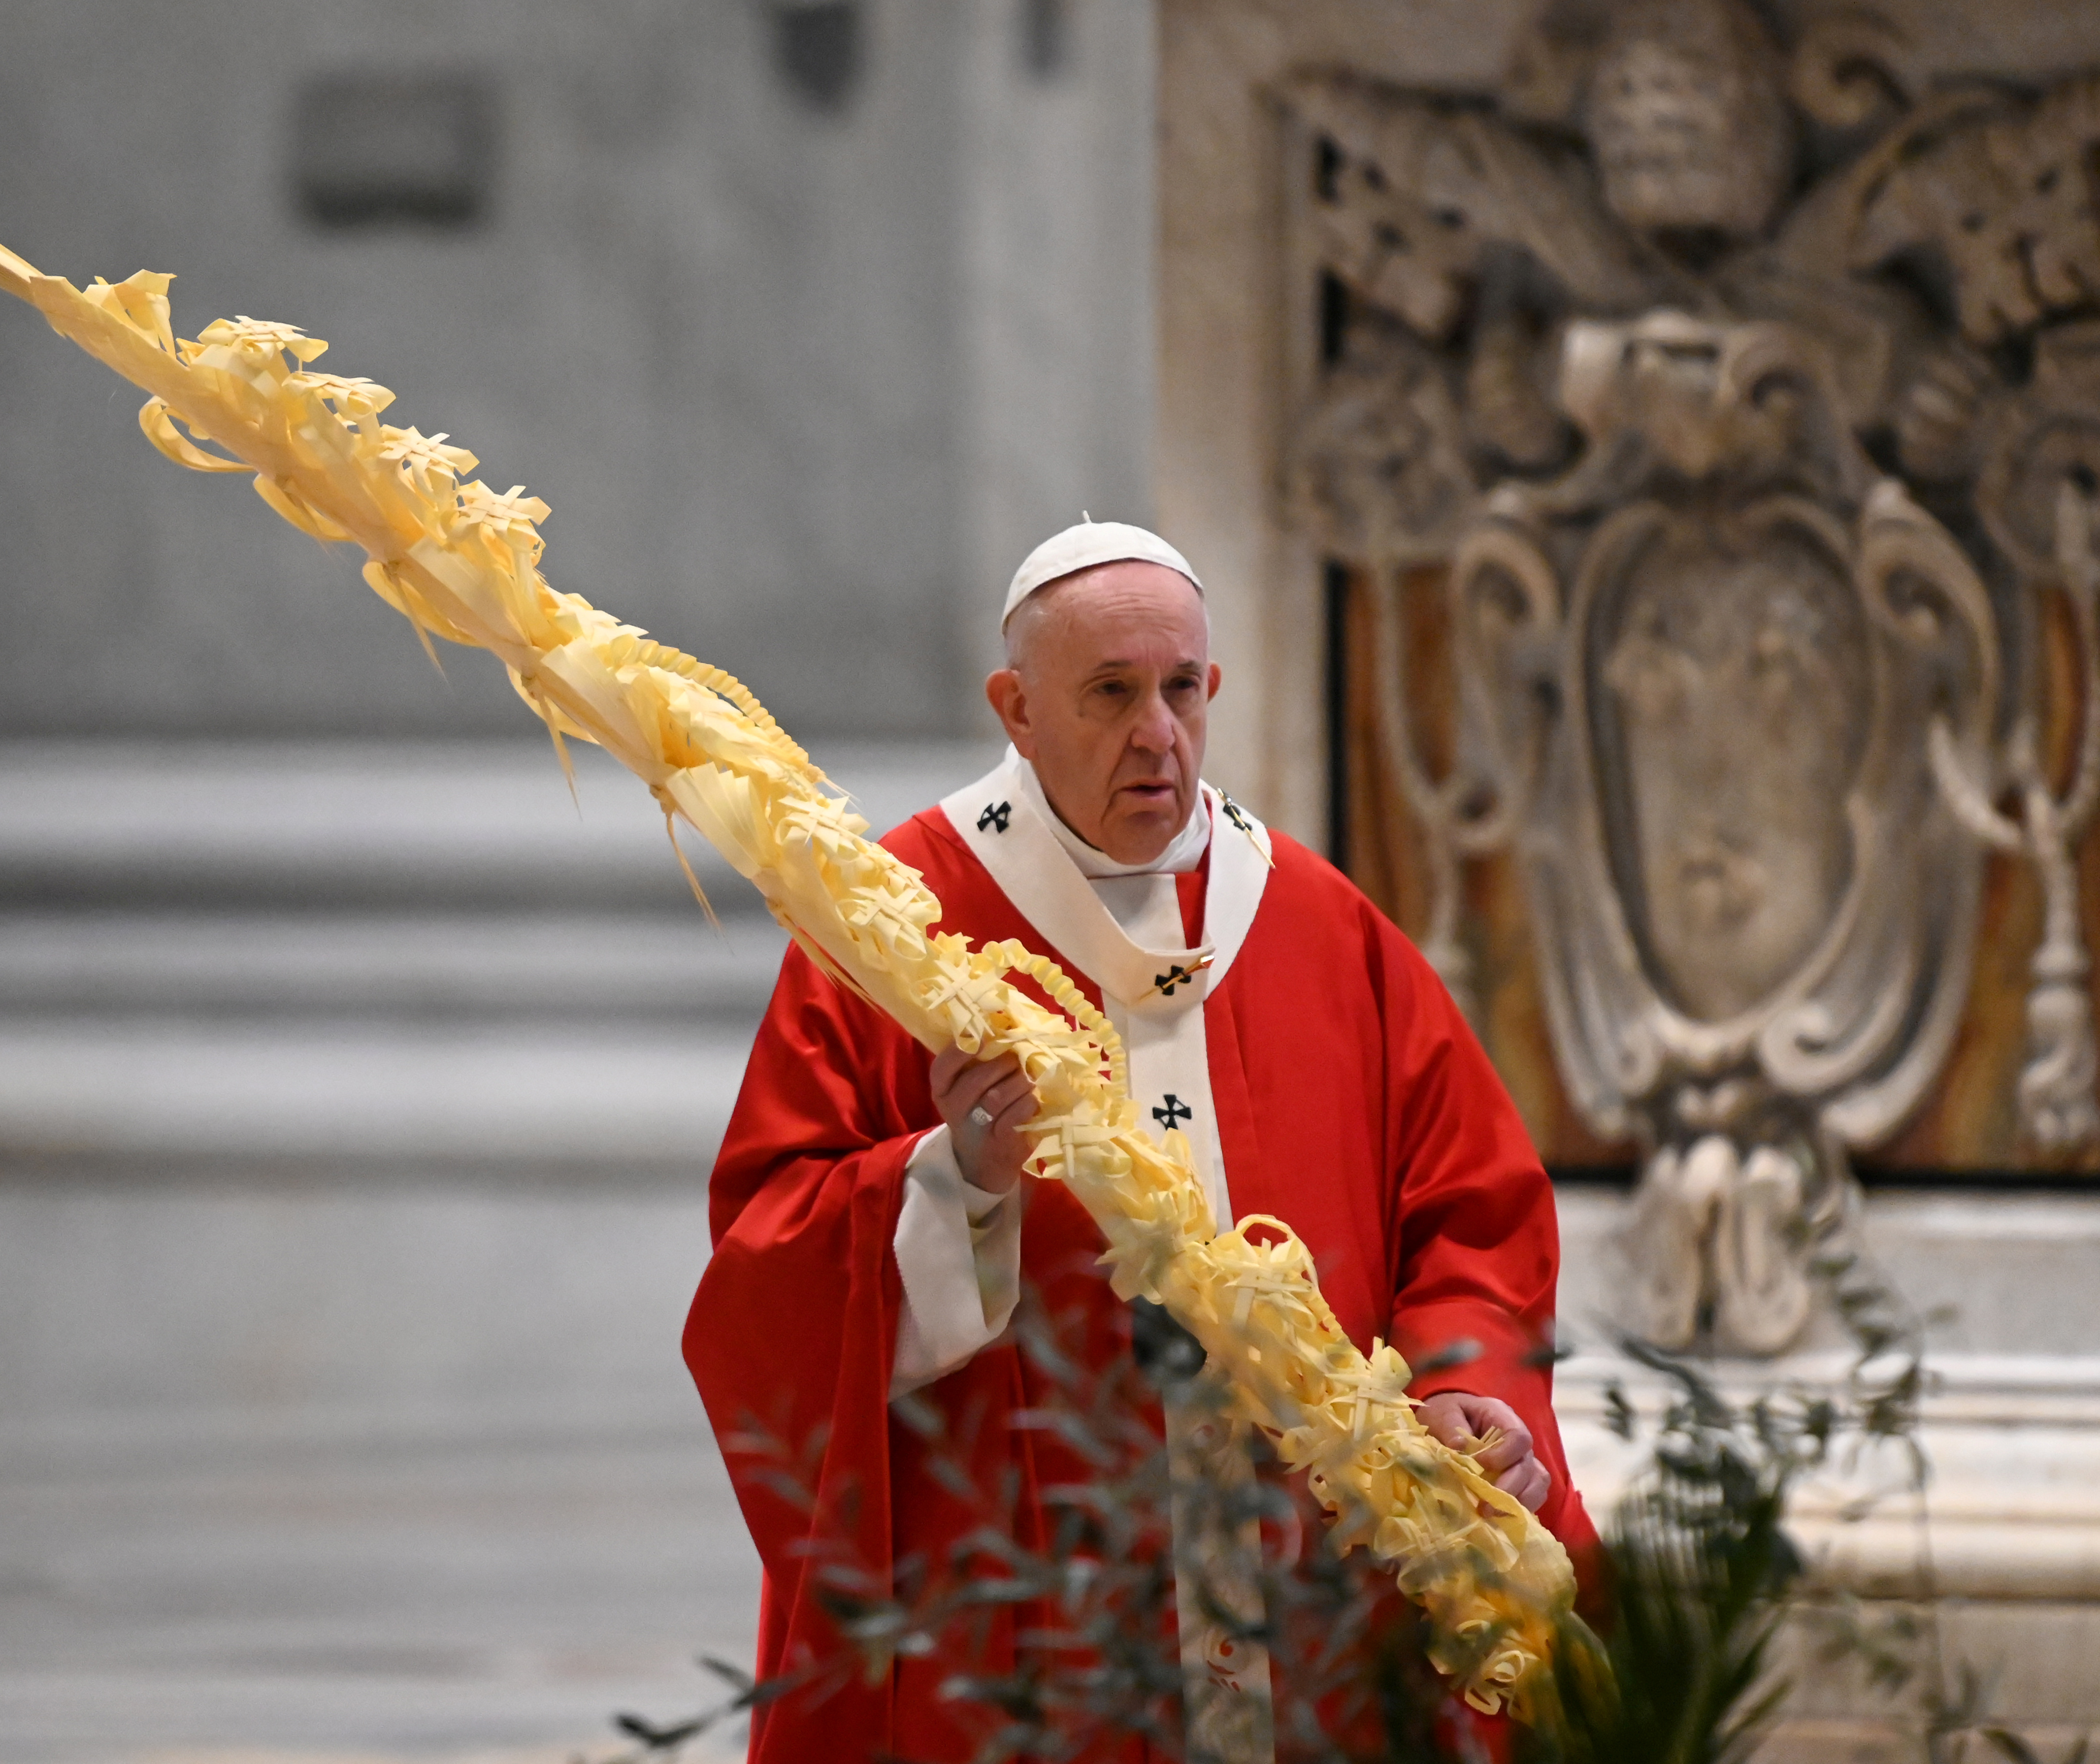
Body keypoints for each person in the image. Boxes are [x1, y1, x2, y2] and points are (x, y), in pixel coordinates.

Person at [682, 519, 1597, 1762]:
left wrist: (1465, 1393)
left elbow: (1470, 1219)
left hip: (1306, 1599)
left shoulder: (1321, 927)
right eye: (1109, 694)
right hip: (1034, 1607)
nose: (1155, 734)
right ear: (1015, 708)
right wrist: (955, 1182)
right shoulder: (894, 921)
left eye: (1179, 690)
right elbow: (763, 1262)